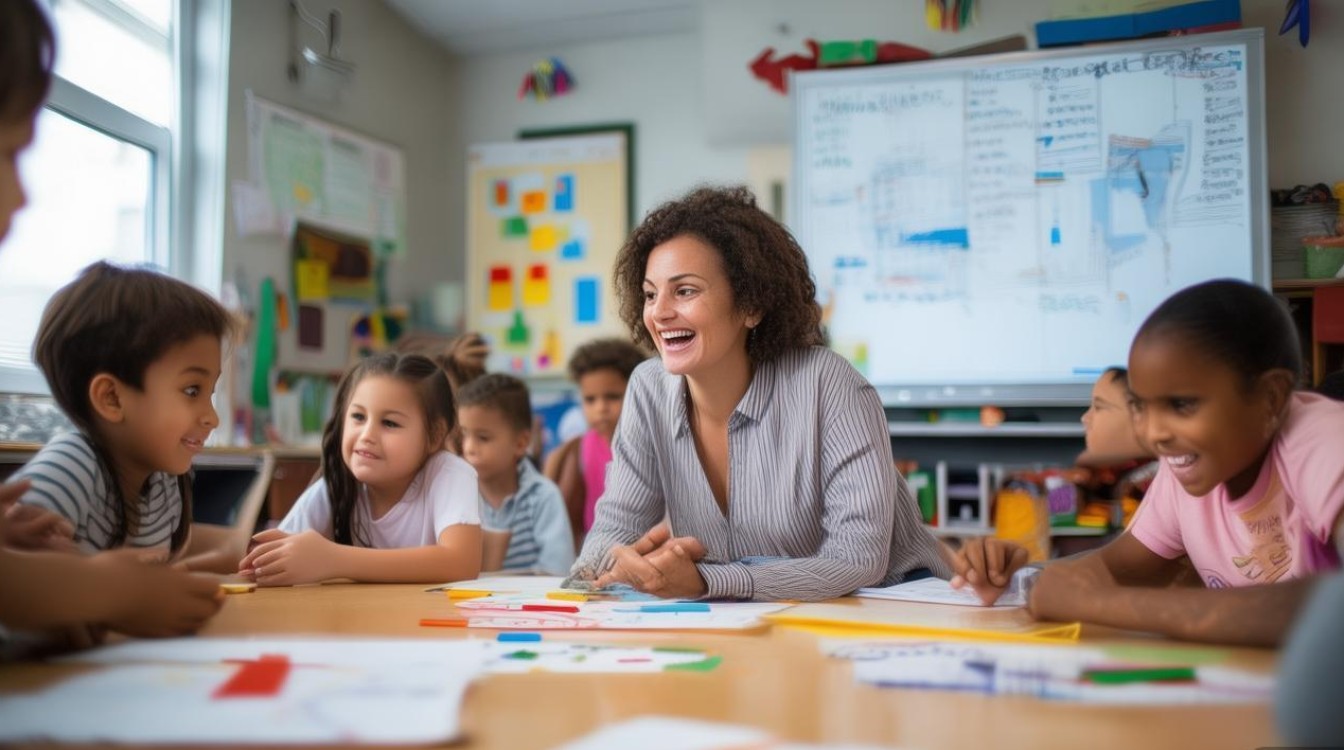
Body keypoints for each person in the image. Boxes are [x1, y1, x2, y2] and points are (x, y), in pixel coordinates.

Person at [565, 186, 948, 601]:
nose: (659, 312)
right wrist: (608, 564)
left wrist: (710, 582)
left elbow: (856, 560)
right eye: (650, 294)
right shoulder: (647, 388)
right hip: (759, 619)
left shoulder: (829, 384)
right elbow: (615, 525)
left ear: (751, 305)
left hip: (894, 608)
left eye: (685, 290)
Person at [0, 0, 222, 647]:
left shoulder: (158, 480)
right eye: (11, 150)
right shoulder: (76, 468)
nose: (24, 196)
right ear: (110, 395)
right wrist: (108, 592)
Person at [957, 279, 1344, 646]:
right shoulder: (1190, 466)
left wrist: (1097, 603)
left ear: (1271, 399)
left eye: (1182, 404)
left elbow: (1332, 607)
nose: (1156, 432)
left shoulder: (1322, 439)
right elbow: (1118, 567)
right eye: (1142, 406)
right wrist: (1018, 575)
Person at [240, 352, 481, 585]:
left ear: (435, 435)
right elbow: (270, 555)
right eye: (358, 417)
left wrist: (333, 559)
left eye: (389, 423)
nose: (367, 435)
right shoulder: (337, 487)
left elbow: (461, 562)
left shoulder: (450, 474)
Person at [458, 373, 574, 575]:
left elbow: (558, 570)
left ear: (520, 443)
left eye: (483, 438)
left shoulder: (543, 496)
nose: (469, 448)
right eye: (464, 435)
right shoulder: (457, 496)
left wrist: (495, 581)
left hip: (532, 603)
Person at [543, 337, 647, 546]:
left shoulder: (651, 445)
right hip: (598, 554)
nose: (600, 408)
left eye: (612, 397)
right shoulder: (582, 448)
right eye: (590, 399)